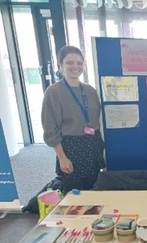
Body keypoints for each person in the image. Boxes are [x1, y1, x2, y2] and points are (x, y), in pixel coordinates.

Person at [41, 45, 105, 194]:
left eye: (79, 63)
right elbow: (50, 129)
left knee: (93, 190)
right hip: (71, 148)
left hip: (92, 144)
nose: (75, 67)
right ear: (61, 65)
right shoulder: (54, 92)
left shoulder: (90, 90)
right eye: (70, 63)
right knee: (73, 194)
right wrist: (62, 157)